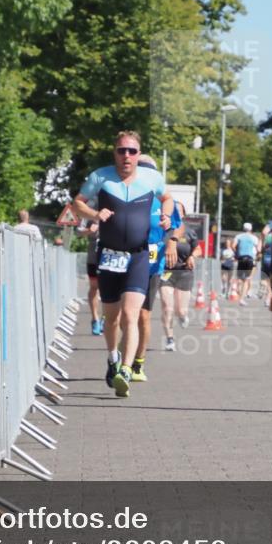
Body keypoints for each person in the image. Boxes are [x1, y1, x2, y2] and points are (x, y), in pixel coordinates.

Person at [73, 131, 172, 397]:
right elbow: (77, 204)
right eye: (121, 151)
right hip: (109, 255)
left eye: (132, 151)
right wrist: (95, 213)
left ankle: (126, 370)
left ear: (138, 154)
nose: (126, 156)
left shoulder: (152, 178)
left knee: (131, 315)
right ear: (115, 153)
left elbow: (168, 198)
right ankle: (113, 358)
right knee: (112, 318)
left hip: (139, 256)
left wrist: (166, 215)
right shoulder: (100, 177)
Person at [129, 154, 181, 383]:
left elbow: (178, 226)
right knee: (123, 314)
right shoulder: (126, 194)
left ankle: (137, 363)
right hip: (126, 260)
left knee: (142, 315)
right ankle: (121, 357)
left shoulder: (164, 199)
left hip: (152, 263)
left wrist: (172, 242)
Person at [160, 202, 200, 351]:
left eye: (178, 211)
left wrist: (192, 257)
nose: (175, 213)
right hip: (166, 272)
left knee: (181, 311)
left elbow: (198, 249)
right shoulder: (162, 230)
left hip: (184, 272)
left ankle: (183, 316)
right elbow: (152, 249)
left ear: (183, 214)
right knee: (167, 307)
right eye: (173, 211)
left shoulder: (189, 232)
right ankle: (170, 339)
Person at [78, 220, 103, 335]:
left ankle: (106, 318)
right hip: (93, 257)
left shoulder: (115, 210)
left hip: (110, 256)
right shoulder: (88, 213)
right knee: (94, 287)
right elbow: (79, 232)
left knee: (109, 289)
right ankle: (95, 319)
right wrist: (89, 230)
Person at [232, 223, 260, 304]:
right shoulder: (254, 238)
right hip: (250, 259)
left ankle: (237, 292)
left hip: (241, 258)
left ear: (243, 228)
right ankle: (242, 298)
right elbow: (258, 249)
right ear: (251, 229)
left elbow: (233, 246)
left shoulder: (238, 236)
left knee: (239, 278)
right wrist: (257, 255)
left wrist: (237, 253)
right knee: (246, 280)